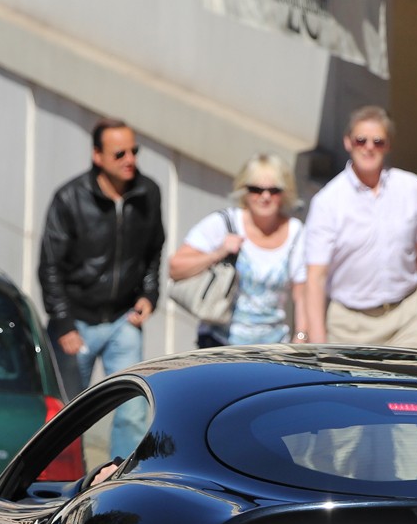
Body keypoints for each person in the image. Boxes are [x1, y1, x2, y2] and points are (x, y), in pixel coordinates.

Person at [38, 117, 165, 459]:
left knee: (133, 408)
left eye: (134, 151)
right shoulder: (70, 198)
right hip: (76, 321)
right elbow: (50, 265)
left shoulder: (147, 193)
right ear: (98, 156)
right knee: (66, 413)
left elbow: (154, 251)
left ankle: (122, 482)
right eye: (119, 153)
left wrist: (149, 295)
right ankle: (61, 484)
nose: (130, 160)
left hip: (124, 320)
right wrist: (63, 323)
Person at [302, 106, 417, 348]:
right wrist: (317, 343)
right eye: (361, 140)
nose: (369, 147)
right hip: (350, 325)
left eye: (378, 141)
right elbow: (316, 277)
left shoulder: (413, 188)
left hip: (408, 316)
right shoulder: (327, 202)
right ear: (348, 142)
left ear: (388, 146)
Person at [169, 153, 306, 348]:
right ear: (244, 191)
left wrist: (300, 340)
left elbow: (303, 295)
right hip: (220, 344)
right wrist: (218, 253)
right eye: (256, 190)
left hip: (274, 348)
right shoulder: (226, 222)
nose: (265, 197)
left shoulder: (296, 232)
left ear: (285, 193)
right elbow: (175, 267)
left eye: (274, 190)